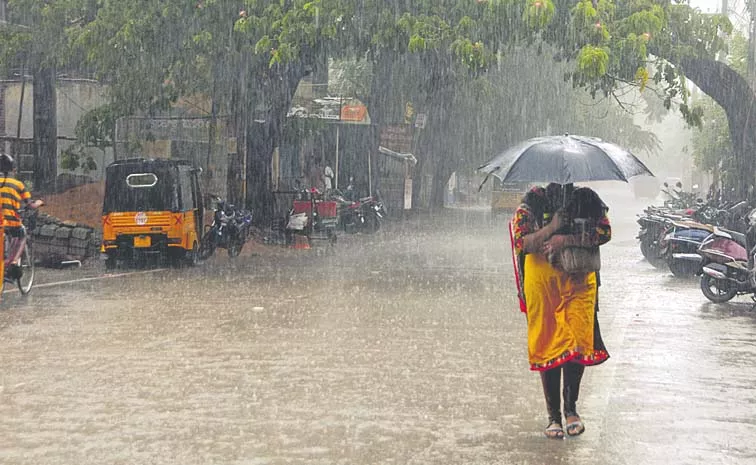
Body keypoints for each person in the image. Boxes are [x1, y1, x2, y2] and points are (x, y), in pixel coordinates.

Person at [509, 183, 611, 439]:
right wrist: (552, 227)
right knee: (549, 343)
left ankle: (571, 410)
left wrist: (567, 239)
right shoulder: (532, 200)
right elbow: (522, 242)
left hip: (579, 280)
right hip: (543, 284)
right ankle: (553, 416)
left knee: (577, 341)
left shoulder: (588, 199)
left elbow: (605, 232)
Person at [0, 153, 44, 279]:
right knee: (22, 234)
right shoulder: (18, 184)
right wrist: (39, 202)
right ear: (13, 169)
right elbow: (30, 205)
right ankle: (13, 262)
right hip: (10, 222)